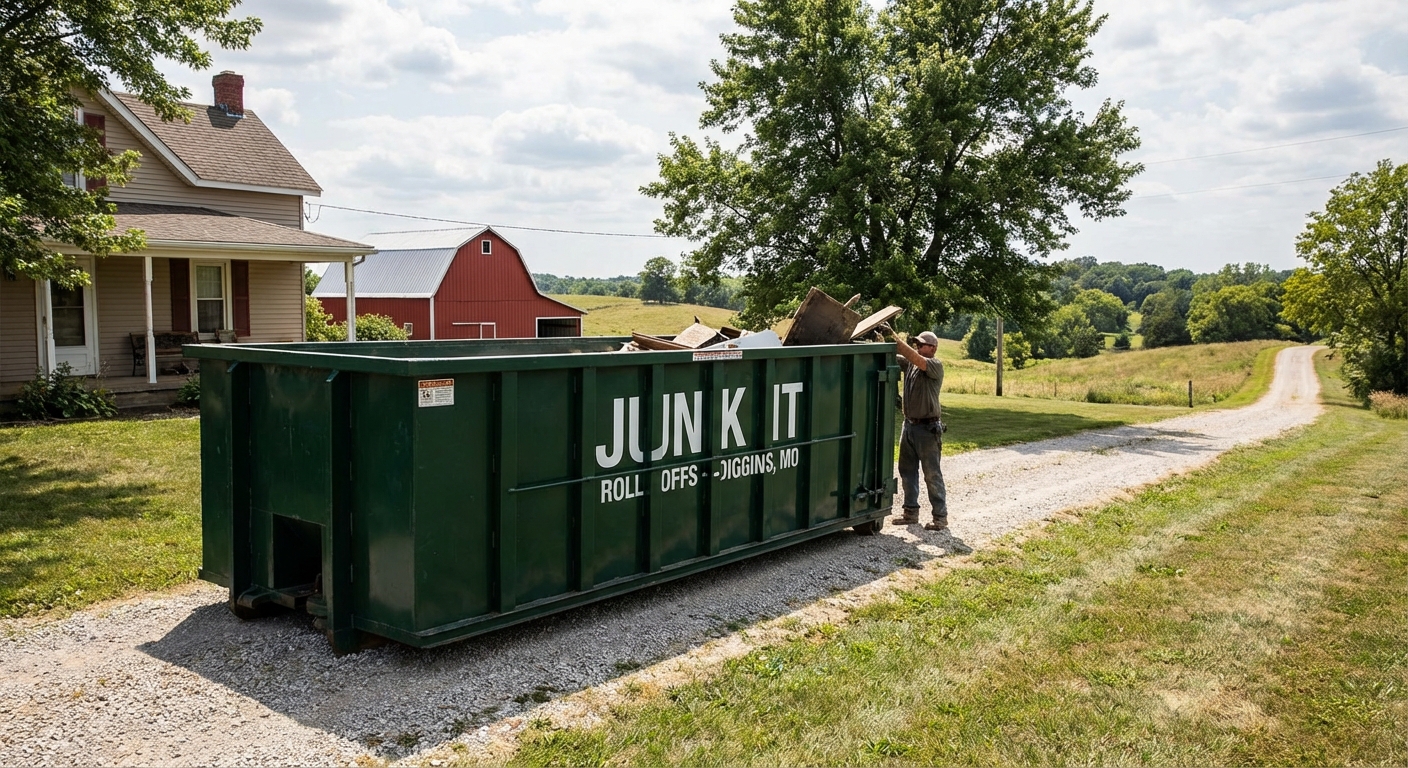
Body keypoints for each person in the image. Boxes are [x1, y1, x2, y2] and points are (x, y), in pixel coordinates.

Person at [881, 326, 948, 531]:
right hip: (909, 425)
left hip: (928, 428)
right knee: (907, 471)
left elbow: (914, 357)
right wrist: (881, 340)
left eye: (921, 344)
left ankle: (940, 517)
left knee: (932, 473)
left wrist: (894, 337)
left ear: (933, 348)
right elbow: (894, 355)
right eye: (916, 343)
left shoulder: (934, 365)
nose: (917, 346)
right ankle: (910, 513)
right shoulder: (912, 364)